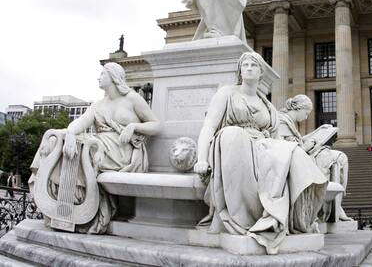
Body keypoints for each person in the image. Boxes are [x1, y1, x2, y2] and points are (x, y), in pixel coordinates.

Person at [193, 52, 327, 254]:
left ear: (261, 72)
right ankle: (244, 218)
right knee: (233, 134)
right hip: (235, 143)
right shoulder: (227, 93)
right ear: (239, 70)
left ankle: (298, 219)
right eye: (244, 64)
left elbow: (275, 137)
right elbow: (209, 127)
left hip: (263, 145)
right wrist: (201, 159)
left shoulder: (266, 104)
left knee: (294, 153)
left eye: (253, 65)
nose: (248, 68)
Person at [30, 62, 162, 233]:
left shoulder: (132, 98)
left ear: (113, 77)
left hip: (122, 150)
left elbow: (157, 125)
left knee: (87, 149)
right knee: (56, 139)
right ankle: (65, 205)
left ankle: (76, 204)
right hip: (100, 144)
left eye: (102, 74)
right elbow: (80, 123)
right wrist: (70, 134)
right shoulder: (97, 105)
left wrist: (134, 127)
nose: (98, 77)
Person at [276, 95, 353, 223]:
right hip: (295, 160)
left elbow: (298, 140)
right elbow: (285, 150)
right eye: (306, 113)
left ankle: (337, 206)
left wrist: (318, 131)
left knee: (340, 158)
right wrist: (308, 146)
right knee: (337, 158)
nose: (306, 117)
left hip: (303, 155)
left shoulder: (289, 121)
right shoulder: (281, 121)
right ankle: (333, 207)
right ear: (299, 108)